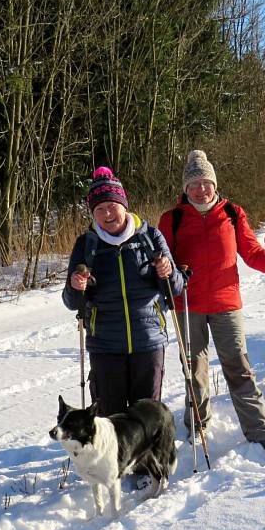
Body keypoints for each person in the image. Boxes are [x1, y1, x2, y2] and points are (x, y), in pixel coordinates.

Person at [158, 150, 265, 454]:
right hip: (188, 304)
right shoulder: (171, 220)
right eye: (194, 184)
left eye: (206, 183)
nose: (201, 189)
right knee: (194, 368)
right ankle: (196, 427)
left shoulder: (232, 213)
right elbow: (161, 262)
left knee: (239, 367)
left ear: (215, 185)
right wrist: (170, 275)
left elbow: (253, 253)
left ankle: (260, 431)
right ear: (185, 189)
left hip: (226, 303)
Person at [62, 166, 184, 418]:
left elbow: (177, 288)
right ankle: (114, 460)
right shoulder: (86, 244)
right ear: (93, 213)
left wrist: (168, 271)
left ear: (124, 205)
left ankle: (145, 459)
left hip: (147, 340)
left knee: (146, 418)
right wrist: (76, 286)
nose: (107, 213)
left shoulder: (150, 236)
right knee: (110, 417)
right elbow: (72, 302)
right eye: (99, 209)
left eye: (112, 206)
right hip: (105, 344)